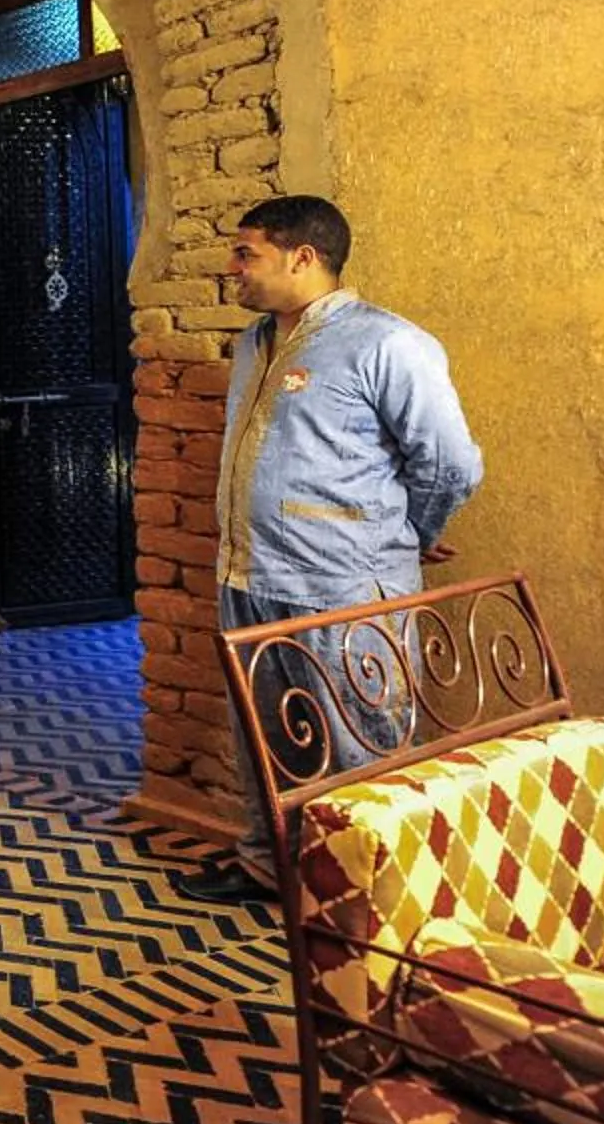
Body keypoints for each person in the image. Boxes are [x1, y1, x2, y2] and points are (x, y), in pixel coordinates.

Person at [174, 195, 484, 905]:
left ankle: (369, 895)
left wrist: (414, 532)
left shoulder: (388, 344)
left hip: (342, 583)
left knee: (362, 742)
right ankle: (266, 865)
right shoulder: (255, 341)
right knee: (265, 736)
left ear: (303, 257)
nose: (233, 268)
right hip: (249, 574)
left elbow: (450, 464)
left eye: (246, 252)